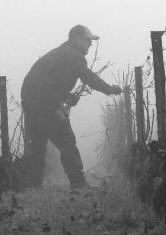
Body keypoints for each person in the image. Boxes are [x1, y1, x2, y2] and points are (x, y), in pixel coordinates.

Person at [21, 24, 122, 190]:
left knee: (38, 143)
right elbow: (89, 77)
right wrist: (109, 89)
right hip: (45, 103)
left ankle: (33, 185)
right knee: (66, 140)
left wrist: (65, 98)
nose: (90, 44)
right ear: (75, 39)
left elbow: (49, 81)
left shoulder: (59, 53)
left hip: (30, 100)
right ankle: (78, 182)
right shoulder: (74, 56)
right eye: (87, 40)